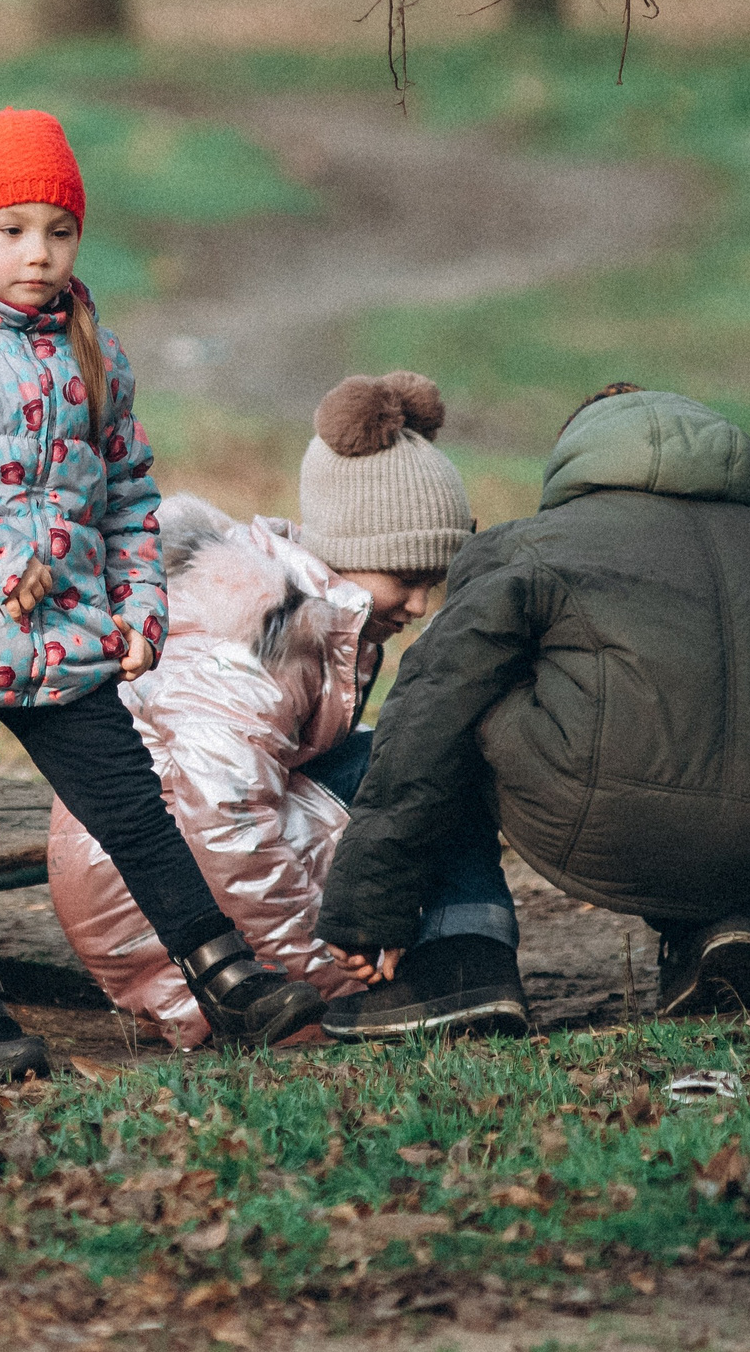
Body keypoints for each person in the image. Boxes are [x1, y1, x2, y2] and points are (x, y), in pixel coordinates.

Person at [0, 107, 325, 1079]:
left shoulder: (85, 343)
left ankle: (225, 974)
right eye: (11, 230)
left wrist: (138, 605)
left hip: (59, 637)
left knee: (131, 805)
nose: (39, 254)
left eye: (58, 231)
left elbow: (126, 489)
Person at [316, 384, 750, 1038]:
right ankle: (720, 922)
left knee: (464, 697)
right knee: (742, 721)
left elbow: (428, 714)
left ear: (581, 458)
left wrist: (366, 909)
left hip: (602, 816)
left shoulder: (529, 547)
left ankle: (467, 960)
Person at [49, 372, 491, 1047]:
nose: (421, 605)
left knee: (422, 756)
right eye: (407, 579)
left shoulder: (330, 615)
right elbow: (223, 823)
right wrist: (318, 983)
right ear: (354, 550)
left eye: (435, 582)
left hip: (184, 869)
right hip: (149, 908)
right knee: (414, 778)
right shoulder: (262, 631)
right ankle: (453, 960)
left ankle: (462, 954)